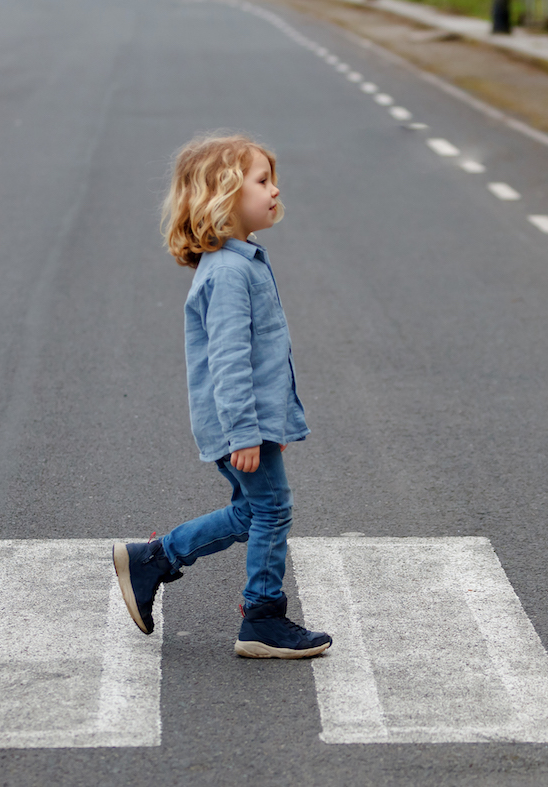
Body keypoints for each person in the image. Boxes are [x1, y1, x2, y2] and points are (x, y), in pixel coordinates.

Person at [113, 133, 332, 660]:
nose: (275, 190)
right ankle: (262, 616)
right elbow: (230, 360)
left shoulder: (242, 260)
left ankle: (154, 559)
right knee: (273, 510)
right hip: (240, 423)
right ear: (224, 197)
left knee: (252, 511)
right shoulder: (232, 272)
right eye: (262, 181)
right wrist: (246, 431)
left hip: (248, 421)